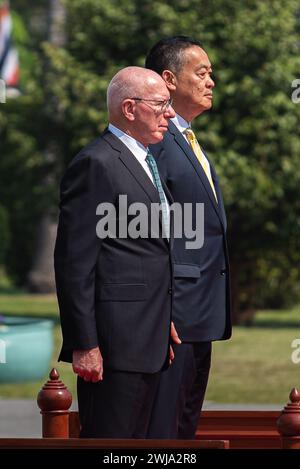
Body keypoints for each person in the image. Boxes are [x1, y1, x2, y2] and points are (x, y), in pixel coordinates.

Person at [54, 66, 181, 438]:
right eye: (161, 104)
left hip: (148, 341)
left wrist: (160, 319)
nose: (170, 114)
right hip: (112, 350)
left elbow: (142, 253)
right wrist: (85, 344)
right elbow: (74, 263)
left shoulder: (145, 159)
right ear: (129, 108)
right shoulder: (97, 163)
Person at [145, 36, 232, 439]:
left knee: (184, 430)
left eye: (211, 73)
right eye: (201, 72)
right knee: (164, 432)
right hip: (174, 319)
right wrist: (157, 313)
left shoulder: (189, 140)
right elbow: (146, 235)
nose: (211, 80)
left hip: (201, 316)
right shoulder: (156, 144)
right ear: (169, 79)